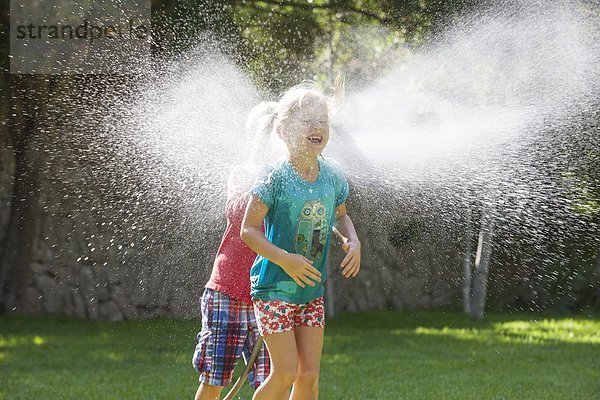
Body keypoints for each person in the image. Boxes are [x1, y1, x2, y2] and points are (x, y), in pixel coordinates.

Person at [240, 84, 361, 400]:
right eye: (307, 120)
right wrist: (285, 259)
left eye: (323, 119)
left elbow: (340, 216)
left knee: (308, 375)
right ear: (282, 131)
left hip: (311, 290)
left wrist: (354, 240)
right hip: (274, 288)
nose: (318, 126)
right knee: (286, 372)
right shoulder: (274, 176)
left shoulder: (332, 175)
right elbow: (248, 230)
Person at [192, 101, 283, 400]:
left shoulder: (290, 184)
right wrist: (263, 178)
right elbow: (236, 213)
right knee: (214, 378)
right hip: (227, 293)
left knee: (274, 380)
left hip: (269, 295)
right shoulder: (243, 173)